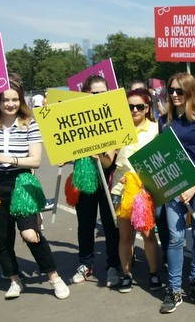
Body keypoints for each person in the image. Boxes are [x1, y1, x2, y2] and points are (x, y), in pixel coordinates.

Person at [0, 76, 70, 300]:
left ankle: (54, 277)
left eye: (15, 99)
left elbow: (35, 160)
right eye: (5, 99)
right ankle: (15, 280)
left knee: (30, 235)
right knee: (0, 239)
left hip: (21, 183)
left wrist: (9, 159)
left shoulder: (29, 123)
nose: (10, 104)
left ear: (21, 100)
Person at [158, 73, 195, 314]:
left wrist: (193, 184)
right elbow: (161, 155)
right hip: (173, 186)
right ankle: (174, 289)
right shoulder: (164, 120)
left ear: (190, 92)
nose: (173, 95)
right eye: (171, 90)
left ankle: (194, 279)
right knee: (175, 237)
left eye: (179, 91)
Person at [71, 75, 121, 288]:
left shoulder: (114, 119)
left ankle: (113, 265)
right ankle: (85, 263)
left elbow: (109, 160)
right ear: (86, 95)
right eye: (94, 93)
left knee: (111, 226)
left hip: (107, 180)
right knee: (85, 224)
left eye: (103, 93)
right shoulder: (76, 117)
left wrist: (97, 155)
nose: (99, 97)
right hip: (84, 179)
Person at [111, 88, 162, 294]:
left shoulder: (156, 129)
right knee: (124, 237)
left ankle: (153, 273)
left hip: (145, 191)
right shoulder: (117, 129)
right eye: (130, 106)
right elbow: (109, 161)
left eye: (139, 106)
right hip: (120, 190)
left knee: (148, 235)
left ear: (147, 107)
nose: (134, 110)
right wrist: (98, 154)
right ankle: (126, 274)